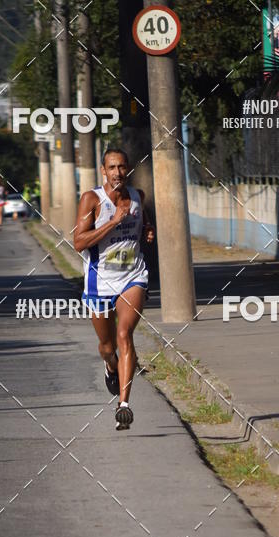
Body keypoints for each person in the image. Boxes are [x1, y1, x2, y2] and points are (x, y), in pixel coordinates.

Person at [74, 148, 155, 431]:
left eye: (122, 167)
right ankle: (110, 366)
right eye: (112, 167)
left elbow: (142, 221)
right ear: (103, 170)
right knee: (108, 347)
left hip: (133, 276)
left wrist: (147, 229)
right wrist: (113, 222)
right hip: (100, 280)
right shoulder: (91, 199)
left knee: (124, 334)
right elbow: (79, 242)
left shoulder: (137, 197)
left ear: (128, 169)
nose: (117, 172)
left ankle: (124, 405)